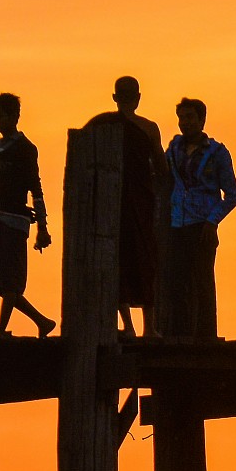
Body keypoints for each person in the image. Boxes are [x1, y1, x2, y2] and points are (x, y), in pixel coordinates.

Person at [85, 77, 165, 332]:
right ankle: (149, 327)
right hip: (140, 204)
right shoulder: (149, 128)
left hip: (113, 204)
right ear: (138, 97)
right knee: (144, 261)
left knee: (117, 261)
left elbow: (81, 148)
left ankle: (128, 326)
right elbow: (163, 170)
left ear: (114, 97)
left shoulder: (100, 124)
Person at [164, 98, 236, 341]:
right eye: (182, 117)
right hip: (177, 223)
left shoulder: (217, 152)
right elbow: (164, 177)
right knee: (176, 282)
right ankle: (179, 334)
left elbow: (232, 195)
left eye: (190, 117)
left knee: (203, 282)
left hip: (202, 225)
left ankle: (205, 336)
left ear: (202, 120)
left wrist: (212, 220)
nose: (185, 123)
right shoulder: (174, 148)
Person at [0, 93, 53, 337]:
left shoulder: (25, 149)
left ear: (14, 117)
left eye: (0, 116)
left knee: (10, 281)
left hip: (15, 222)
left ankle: (1, 330)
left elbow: (36, 188)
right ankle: (42, 321)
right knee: (2, 281)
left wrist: (42, 227)